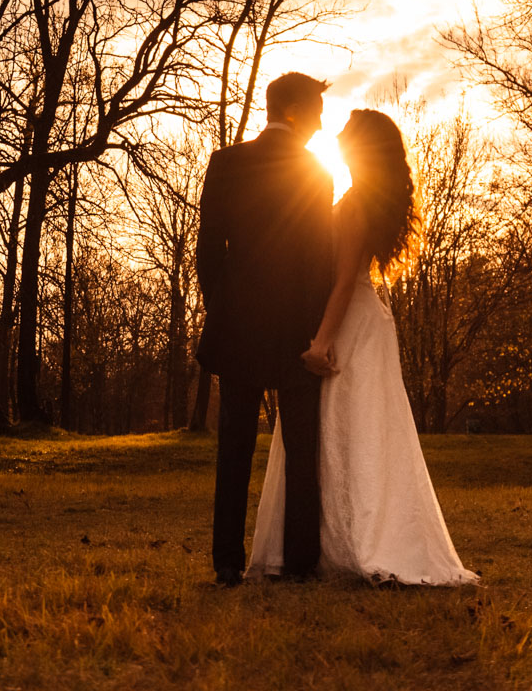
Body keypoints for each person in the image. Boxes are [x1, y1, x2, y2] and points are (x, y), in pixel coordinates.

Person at [247, 107, 479, 586]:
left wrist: (322, 341)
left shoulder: (355, 205)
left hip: (349, 324)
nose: (339, 145)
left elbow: (345, 282)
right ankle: (336, 541)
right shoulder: (368, 199)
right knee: (358, 429)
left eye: (347, 139)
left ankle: (360, 543)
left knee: (349, 428)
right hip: (366, 323)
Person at [194, 71, 335, 586]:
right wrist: (316, 330)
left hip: (238, 329)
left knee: (234, 445)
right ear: (294, 109)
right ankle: (300, 563)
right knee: (302, 450)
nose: (322, 120)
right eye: (317, 109)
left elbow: (209, 254)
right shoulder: (317, 174)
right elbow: (320, 264)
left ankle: (227, 562)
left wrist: (225, 313)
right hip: (296, 330)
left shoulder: (226, 164)